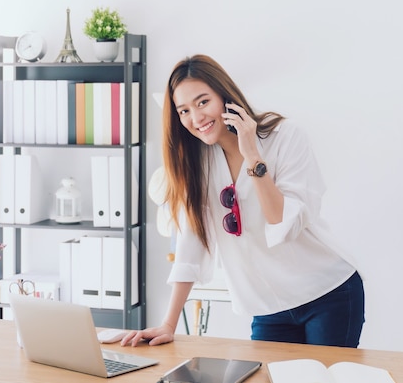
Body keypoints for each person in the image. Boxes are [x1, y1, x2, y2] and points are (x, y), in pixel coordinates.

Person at [121, 54, 364, 347]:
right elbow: (191, 244)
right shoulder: (197, 164)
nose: (196, 118)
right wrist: (168, 324)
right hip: (268, 308)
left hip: (327, 293)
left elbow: (283, 224)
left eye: (202, 102)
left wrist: (252, 157)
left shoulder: (285, 137)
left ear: (225, 95)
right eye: (183, 110)